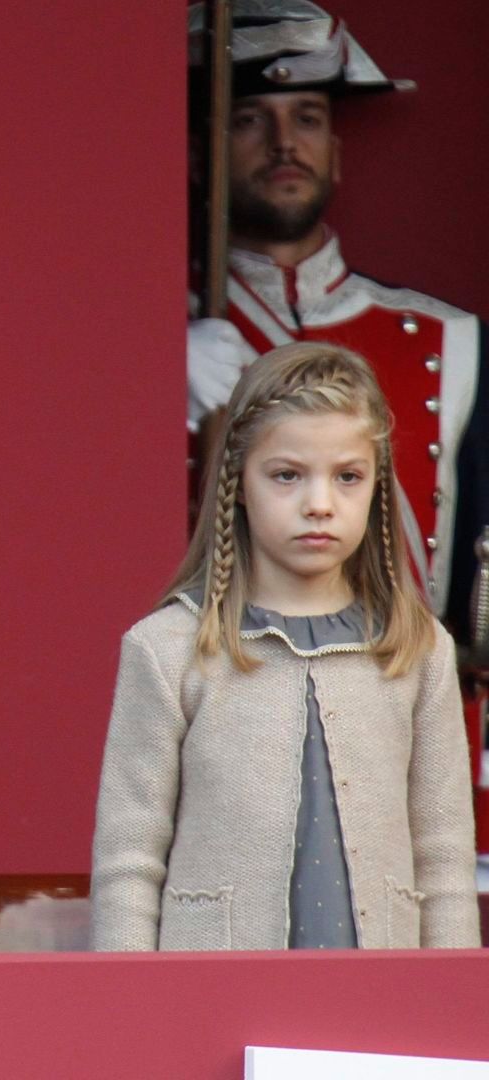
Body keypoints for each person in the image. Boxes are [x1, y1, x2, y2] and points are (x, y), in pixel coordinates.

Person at [93, 342, 479, 951]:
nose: (319, 504)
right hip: (211, 995)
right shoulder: (168, 648)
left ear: (377, 488)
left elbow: (444, 857)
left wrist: (453, 1011)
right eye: (287, 475)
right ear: (238, 484)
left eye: (348, 477)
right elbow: (129, 861)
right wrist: (131, 1009)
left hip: (380, 1000)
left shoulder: (417, 648)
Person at [185, 1, 489, 645]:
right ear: (200, 154)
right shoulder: (165, 338)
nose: (284, 143)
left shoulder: (451, 340)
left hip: (406, 710)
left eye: (308, 118)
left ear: (336, 153)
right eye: (249, 120)